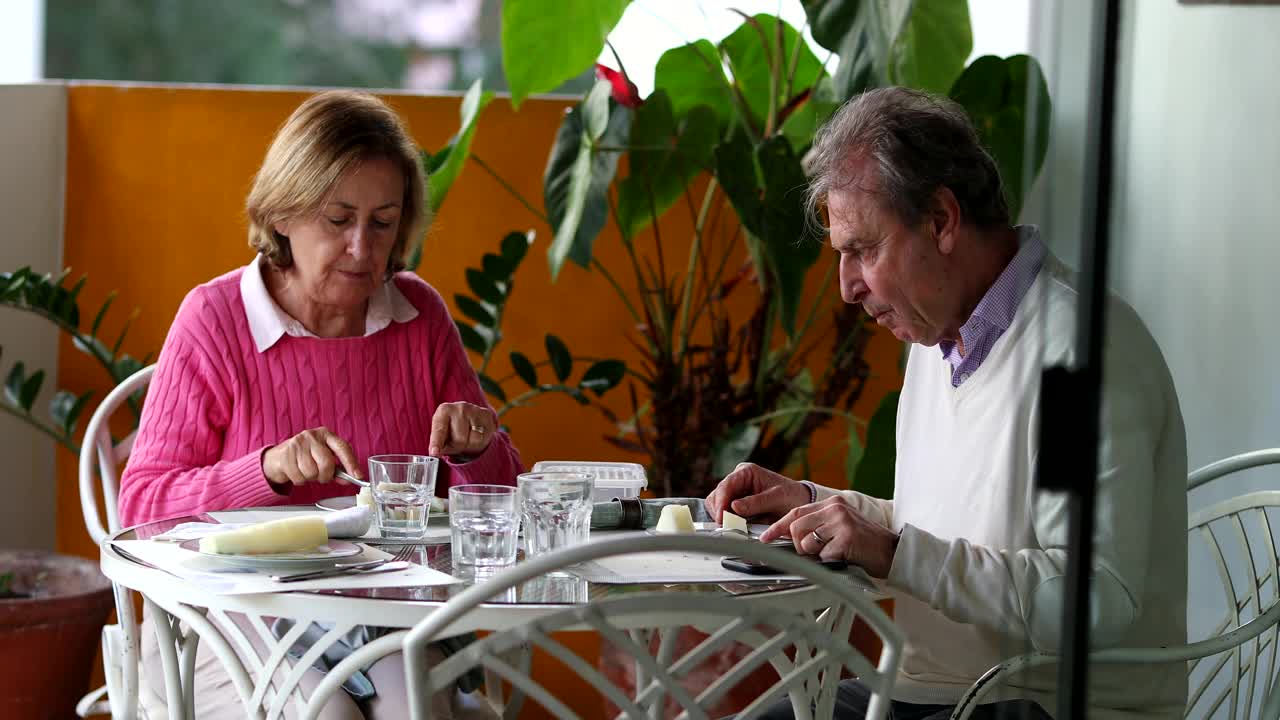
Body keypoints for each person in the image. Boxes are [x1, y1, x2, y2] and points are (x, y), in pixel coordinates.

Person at [706, 88, 1187, 719]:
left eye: (863, 250)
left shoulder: (1074, 365)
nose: (848, 288)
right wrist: (816, 506)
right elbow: (936, 529)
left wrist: (893, 552)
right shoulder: (938, 342)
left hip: (1039, 705)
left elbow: (1090, 600)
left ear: (940, 220)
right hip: (937, 695)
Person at [119, 90, 521, 718]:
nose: (363, 249)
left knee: (412, 706)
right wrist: (267, 470)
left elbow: (504, 499)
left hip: (386, 616)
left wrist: (477, 449)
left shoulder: (419, 317)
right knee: (325, 713)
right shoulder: (215, 318)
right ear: (283, 213)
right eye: (338, 220)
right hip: (231, 623)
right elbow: (142, 505)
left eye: (383, 222)